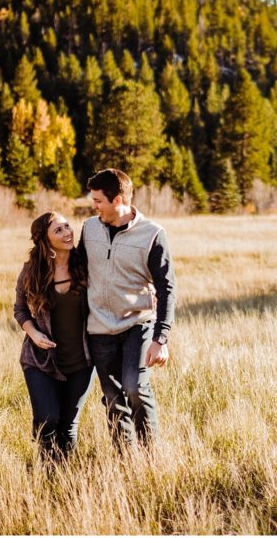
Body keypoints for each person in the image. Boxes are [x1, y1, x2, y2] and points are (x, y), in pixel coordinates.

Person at [78, 168, 175, 449]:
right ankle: (125, 457)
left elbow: (167, 288)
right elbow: (78, 271)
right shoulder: (89, 228)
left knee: (134, 387)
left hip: (138, 323)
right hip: (100, 327)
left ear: (117, 199)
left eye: (98, 200)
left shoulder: (153, 234)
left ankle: (149, 453)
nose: (93, 205)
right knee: (112, 396)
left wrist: (161, 339)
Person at [12, 211, 94, 461]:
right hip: (40, 360)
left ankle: (62, 482)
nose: (68, 233)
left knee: (67, 427)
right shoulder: (32, 271)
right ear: (44, 240)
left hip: (80, 361)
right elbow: (20, 309)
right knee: (48, 420)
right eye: (58, 230)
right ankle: (45, 470)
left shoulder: (86, 264)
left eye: (67, 226)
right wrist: (34, 333)